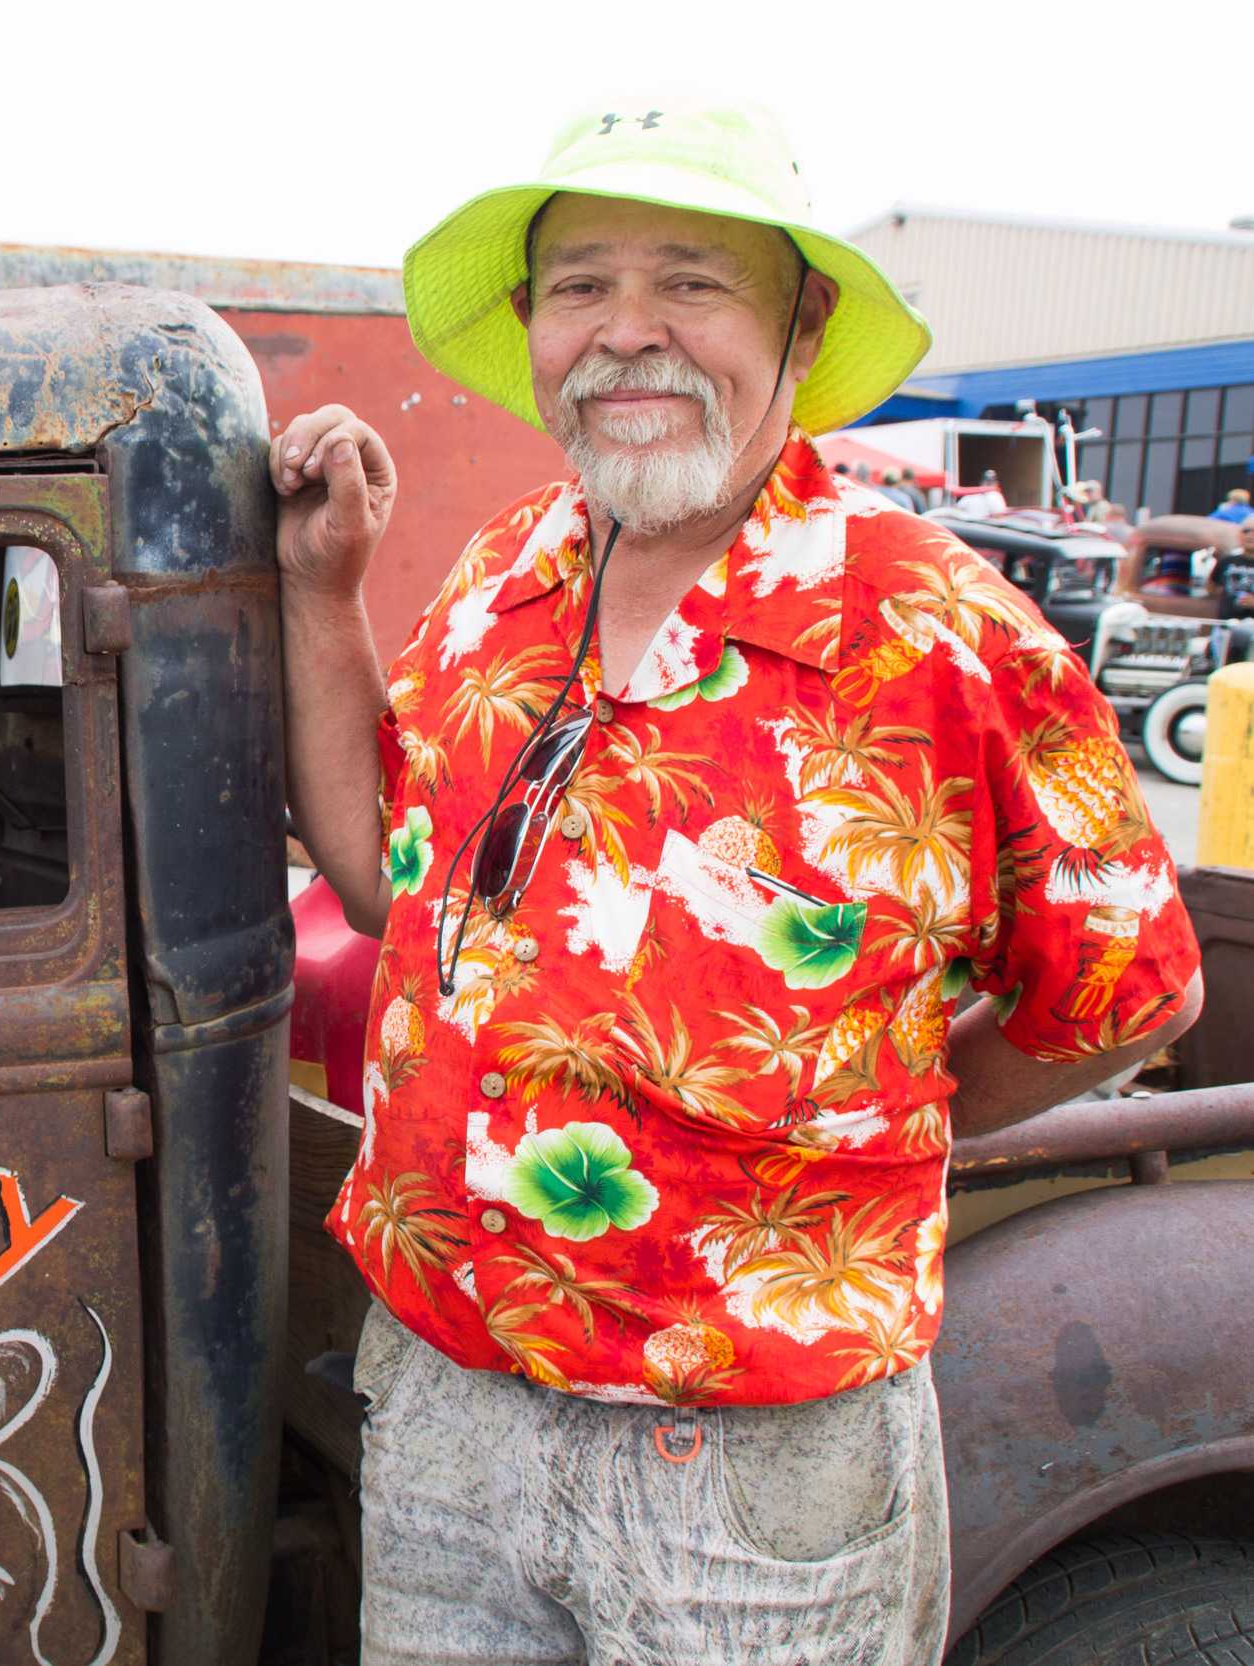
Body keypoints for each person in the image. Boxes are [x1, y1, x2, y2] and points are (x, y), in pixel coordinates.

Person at [274, 101, 1202, 1666]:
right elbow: (380, 880)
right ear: (531, 327)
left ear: (802, 316)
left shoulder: (938, 632)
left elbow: (1133, 986)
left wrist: (888, 1125)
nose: (628, 331)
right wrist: (324, 593)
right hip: (445, 1406)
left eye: (690, 279)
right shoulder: (512, 575)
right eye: (579, 286)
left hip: (748, 1465)